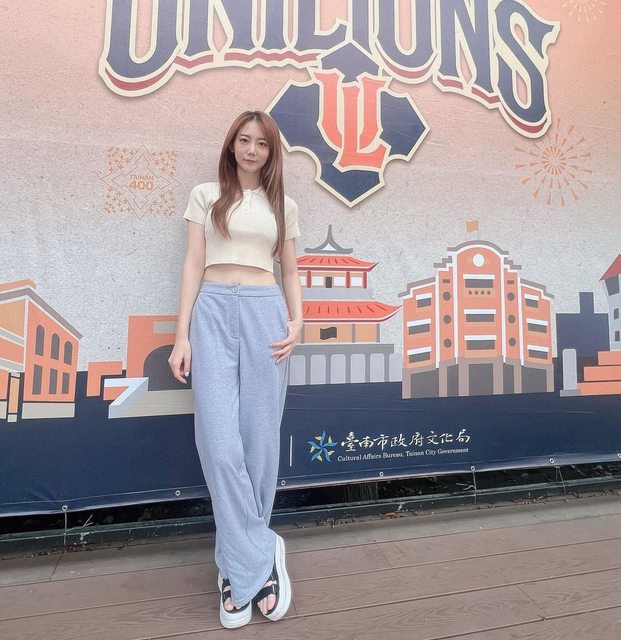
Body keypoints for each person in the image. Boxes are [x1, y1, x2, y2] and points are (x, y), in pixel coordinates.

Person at [168, 110, 302, 629]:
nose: (251, 150)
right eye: (243, 140)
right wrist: (181, 334)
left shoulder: (283, 205)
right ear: (231, 146)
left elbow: (290, 269)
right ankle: (260, 555)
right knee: (219, 445)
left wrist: (298, 321)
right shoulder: (205, 196)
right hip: (212, 311)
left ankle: (237, 570)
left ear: (271, 152)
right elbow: (191, 263)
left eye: (261, 144)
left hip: (267, 314)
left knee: (259, 442)